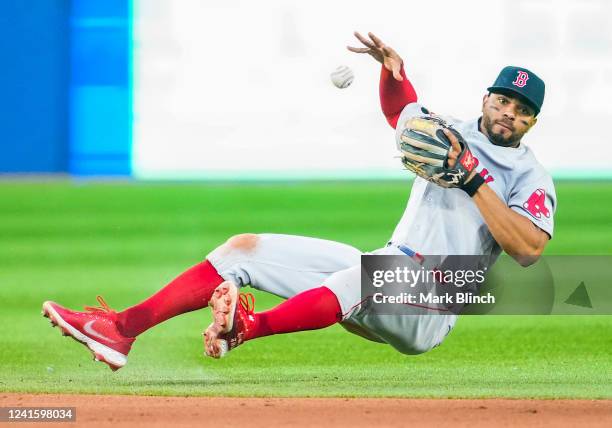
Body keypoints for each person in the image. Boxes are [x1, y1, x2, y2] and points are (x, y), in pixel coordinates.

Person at [42, 32, 556, 370]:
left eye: (522, 109)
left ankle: (245, 330)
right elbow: (402, 115)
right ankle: (121, 330)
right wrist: (392, 73)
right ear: (486, 97)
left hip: (435, 301)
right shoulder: (453, 133)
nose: (509, 112)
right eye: (503, 99)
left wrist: (472, 181)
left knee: (367, 276)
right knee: (243, 250)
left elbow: (528, 248)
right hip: (388, 268)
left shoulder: (530, 176)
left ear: (532, 121)